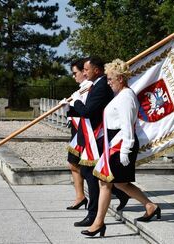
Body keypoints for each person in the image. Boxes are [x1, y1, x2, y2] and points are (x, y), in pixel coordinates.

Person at [81, 59, 161, 237]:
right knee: (120, 183)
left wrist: (125, 150)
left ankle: (98, 223)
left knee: (105, 182)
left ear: (120, 78)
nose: (108, 82)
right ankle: (150, 206)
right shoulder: (122, 95)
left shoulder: (125, 97)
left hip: (121, 144)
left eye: (110, 78)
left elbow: (127, 126)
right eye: (108, 78)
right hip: (115, 143)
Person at [70, 56, 129, 227]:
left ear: (96, 70)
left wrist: (76, 102)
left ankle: (94, 214)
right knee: (93, 173)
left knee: (90, 173)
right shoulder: (96, 84)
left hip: (98, 134)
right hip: (92, 134)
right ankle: (120, 194)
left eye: (86, 69)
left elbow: (88, 111)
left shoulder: (102, 85)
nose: (84, 72)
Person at [63, 58, 90, 210]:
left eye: (76, 73)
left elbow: (86, 110)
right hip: (77, 131)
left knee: (79, 166)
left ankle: (118, 190)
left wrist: (74, 103)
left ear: (84, 72)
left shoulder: (88, 88)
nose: (74, 76)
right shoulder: (81, 89)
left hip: (85, 133)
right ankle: (80, 196)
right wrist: (67, 107)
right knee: (73, 164)